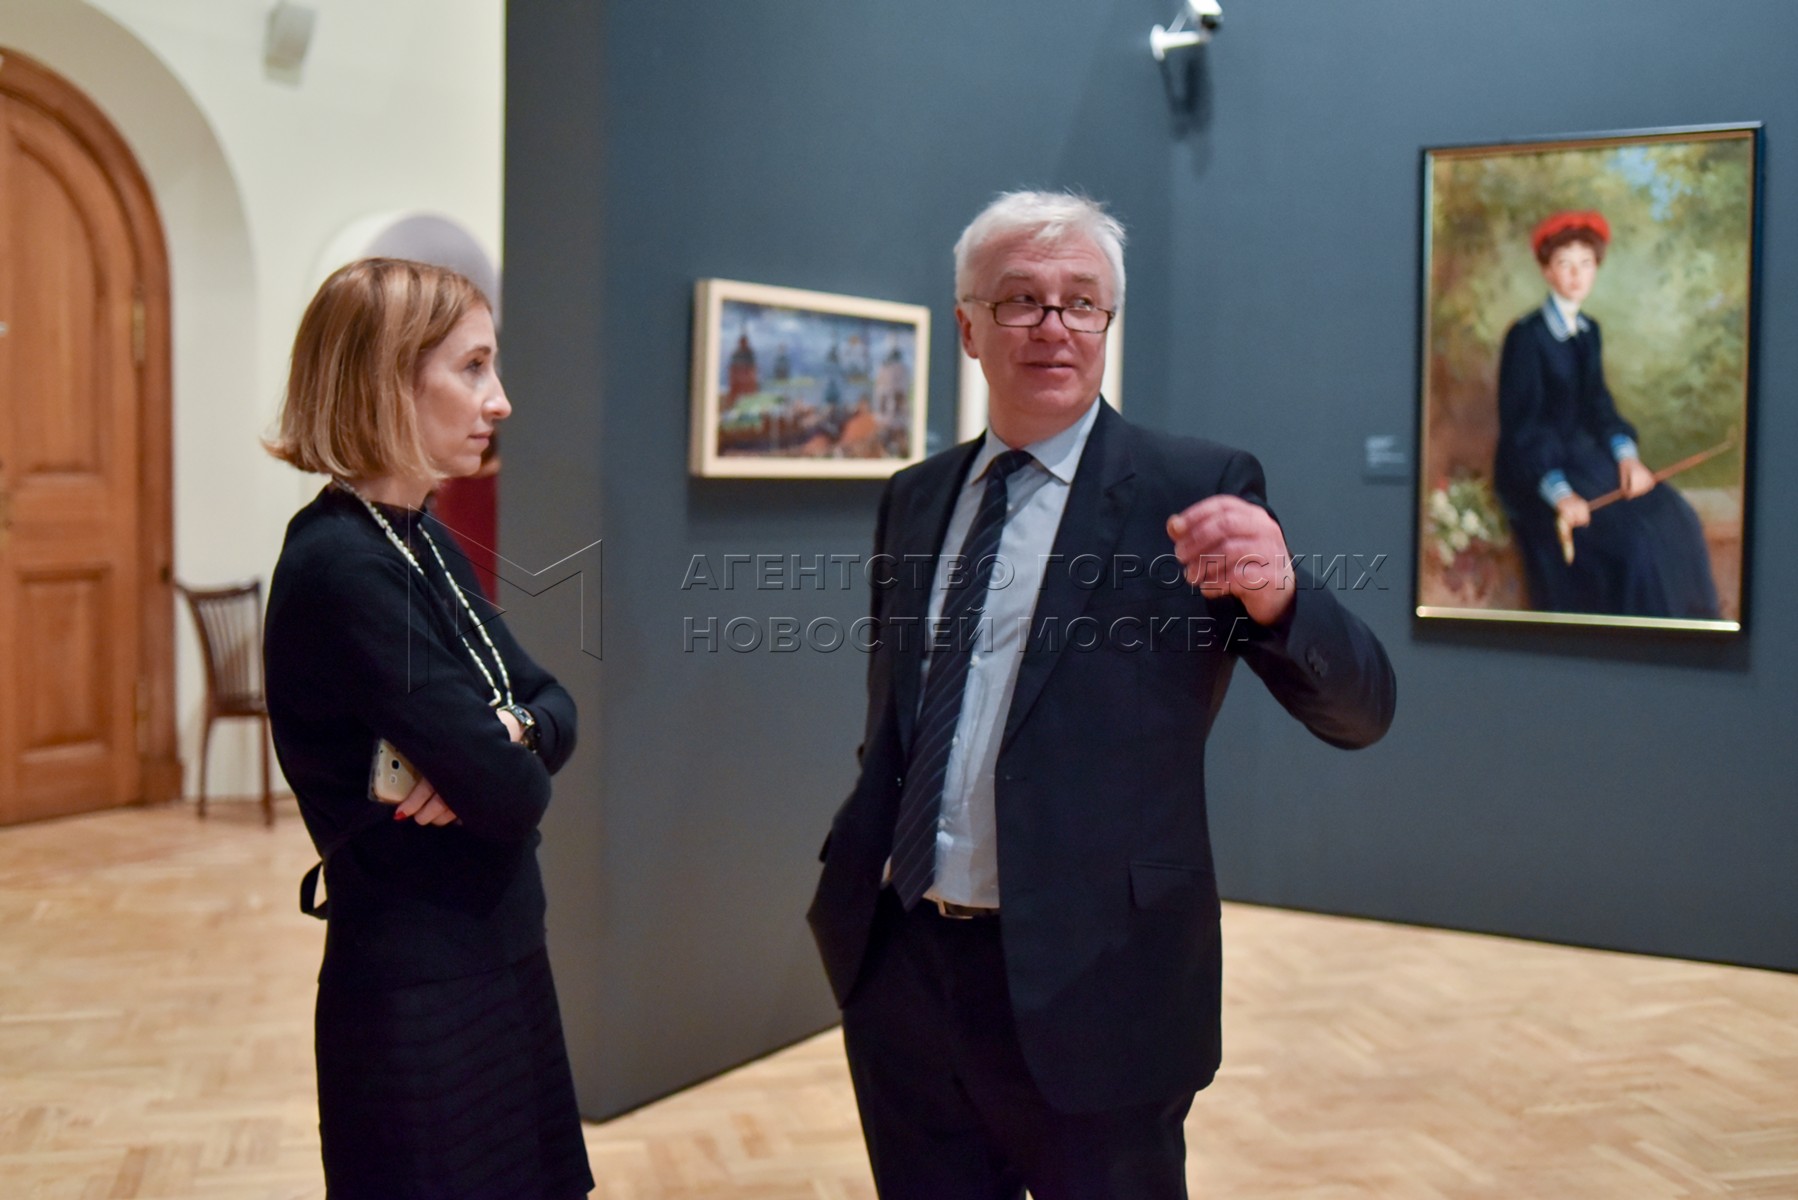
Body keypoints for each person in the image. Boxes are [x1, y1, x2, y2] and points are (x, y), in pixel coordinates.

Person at [806, 191, 1397, 1199]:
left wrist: (1283, 596)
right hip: (902, 973)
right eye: (1020, 300)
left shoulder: (1192, 490)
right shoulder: (915, 496)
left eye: (1081, 302)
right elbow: (899, 723)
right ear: (968, 328)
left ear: (1108, 323)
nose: (1053, 325)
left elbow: (1361, 711)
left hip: (1101, 988)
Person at [263, 258, 593, 1199]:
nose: (501, 400)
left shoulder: (420, 537)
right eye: (473, 367)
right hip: (420, 987)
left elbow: (555, 705)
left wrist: (506, 731)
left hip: (494, 953)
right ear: (386, 380)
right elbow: (514, 793)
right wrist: (504, 751)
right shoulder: (343, 565)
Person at [1493, 210, 1720, 617]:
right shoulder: (1526, 337)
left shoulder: (1589, 331)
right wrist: (1562, 494)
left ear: (1596, 268)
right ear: (1546, 270)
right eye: (1564, 263)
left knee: (1678, 518)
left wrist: (1627, 458)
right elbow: (1523, 429)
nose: (1576, 274)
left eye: (1585, 263)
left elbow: (1599, 405)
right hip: (1536, 468)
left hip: (1586, 455)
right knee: (1636, 543)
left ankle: (1694, 631)